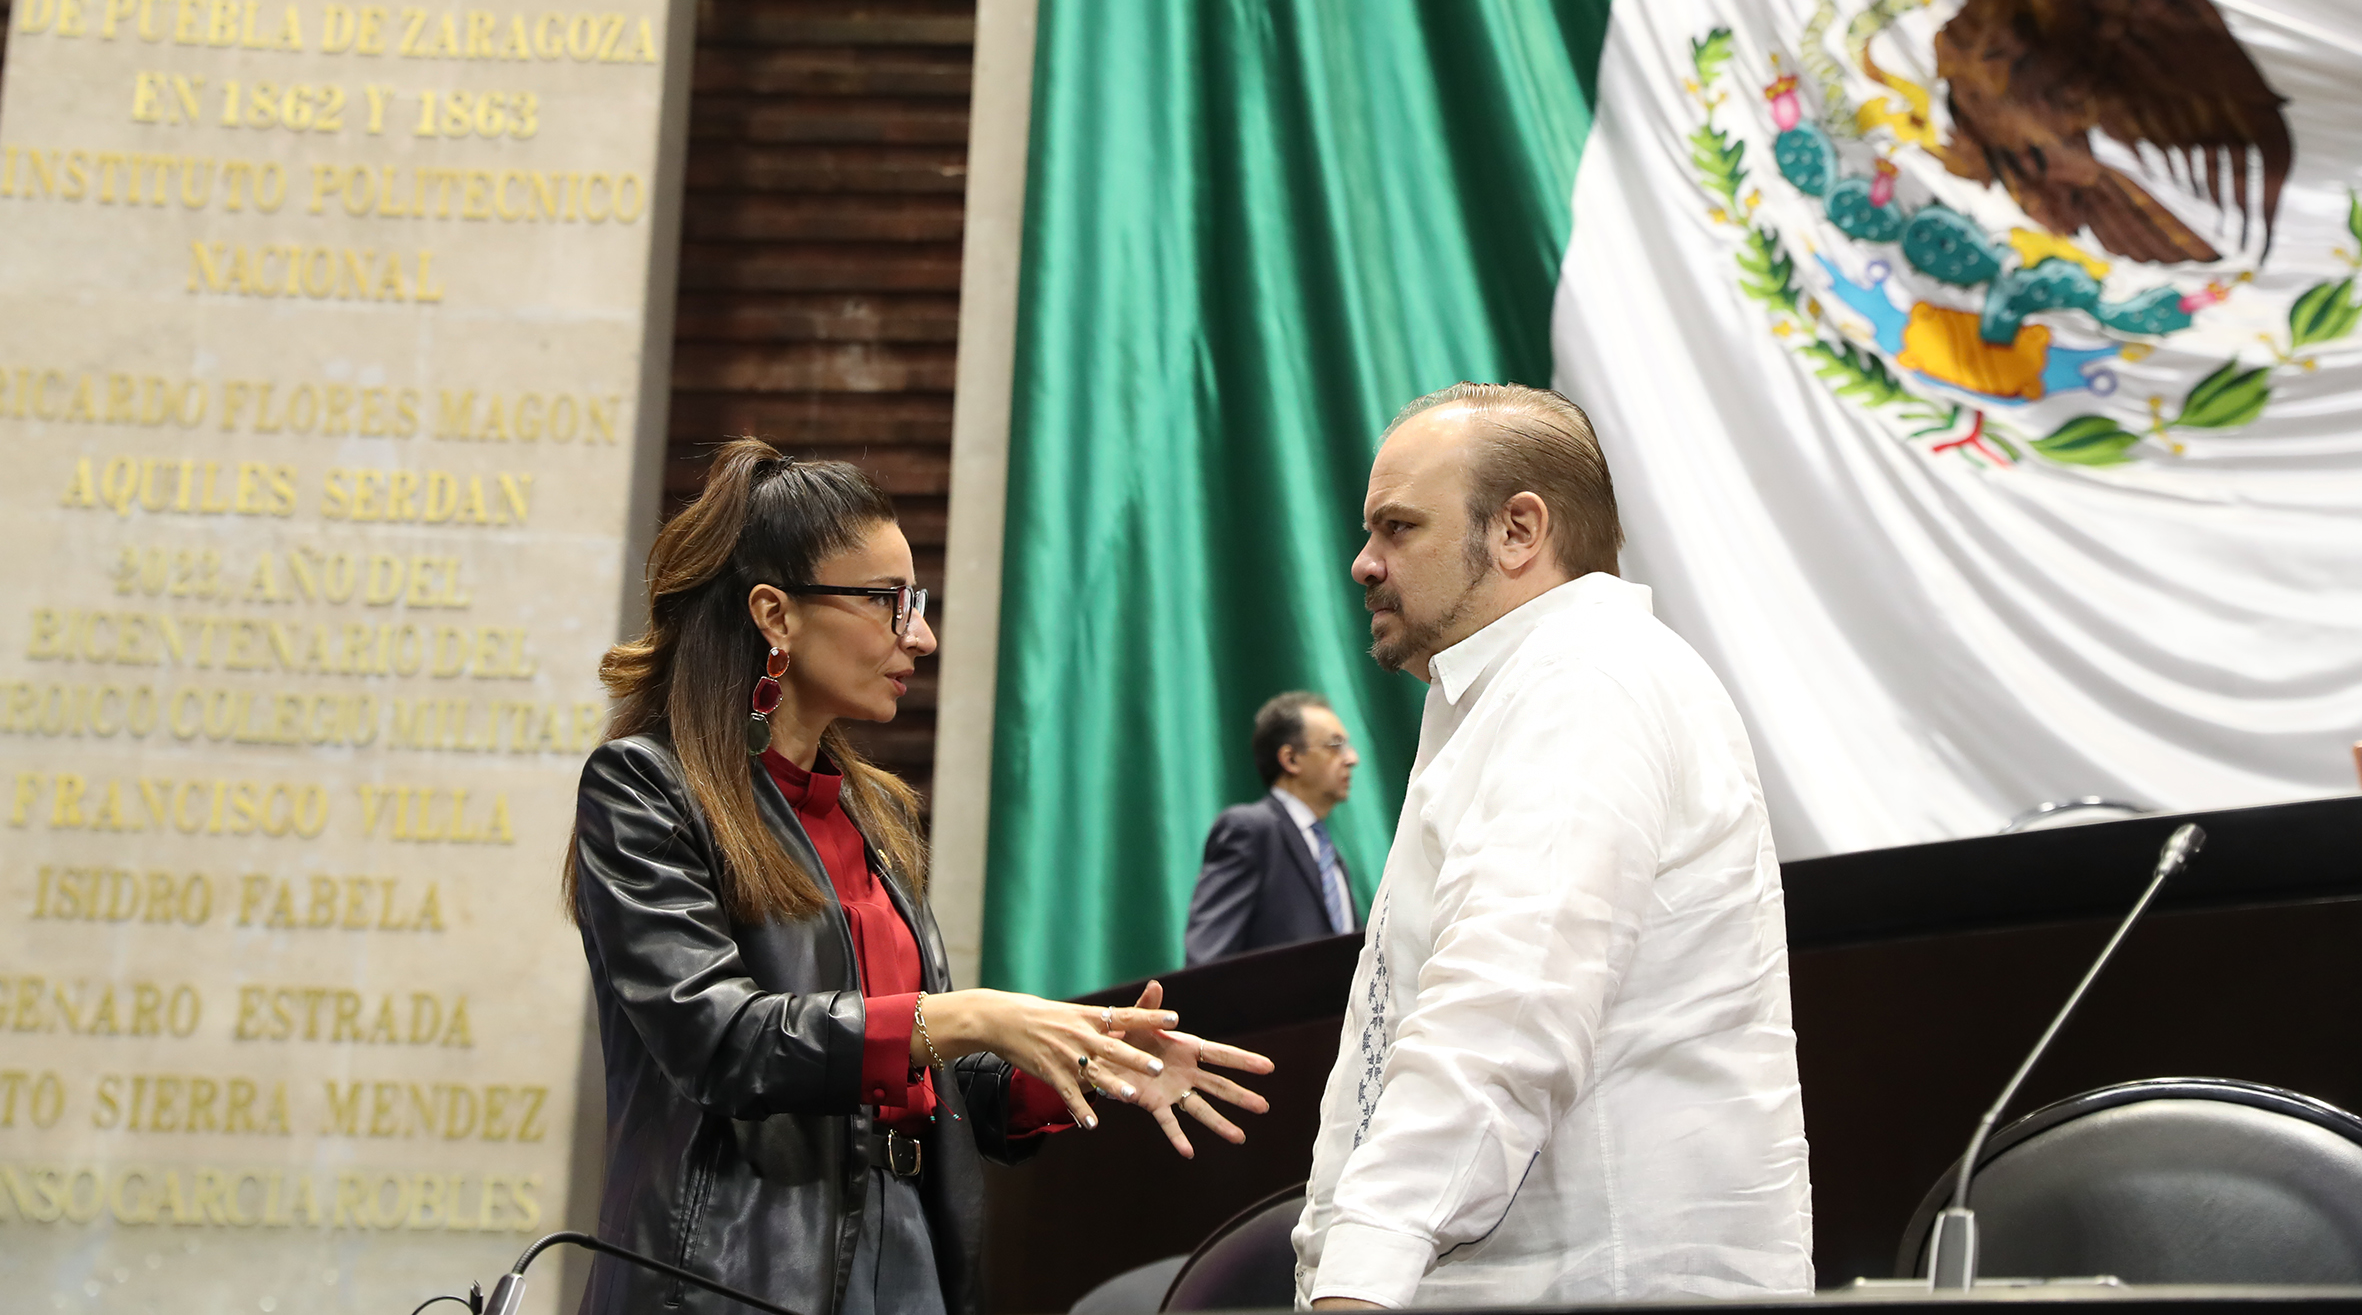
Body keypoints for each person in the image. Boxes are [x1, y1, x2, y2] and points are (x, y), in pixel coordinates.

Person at [565, 439, 1274, 1315]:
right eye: (887, 600)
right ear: (775, 613)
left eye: (919, 601)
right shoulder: (645, 786)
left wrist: (1075, 1062)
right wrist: (971, 1015)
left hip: (908, 1256)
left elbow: (911, 1076)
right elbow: (722, 1040)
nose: (921, 635)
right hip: (734, 1274)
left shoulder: (876, 811)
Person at [1294, 383, 1812, 1309]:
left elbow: (1504, 1018)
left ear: (1519, 530)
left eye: (1398, 527)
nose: (1364, 563)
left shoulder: (1587, 682)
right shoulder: (1522, 687)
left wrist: (1358, 1283)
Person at [1183, 691, 1363, 965]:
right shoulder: (1250, 830)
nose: (1352, 758)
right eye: (1335, 744)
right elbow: (1206, 959)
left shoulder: (1327, 852)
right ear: (1291, 759)